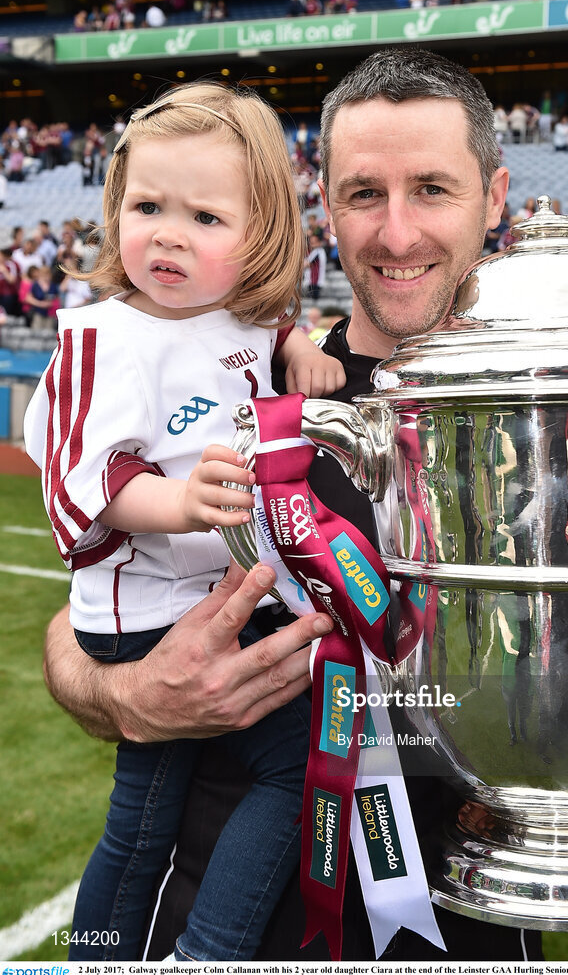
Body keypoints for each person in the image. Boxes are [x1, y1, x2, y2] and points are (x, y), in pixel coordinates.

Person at [41, 48, 545, 964]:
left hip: (463, 917)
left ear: (496, 196)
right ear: (325, 209)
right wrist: (127, 694)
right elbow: (81, 618)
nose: (396, 235)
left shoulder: (555, 424)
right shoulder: (260, 390)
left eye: (432, 188)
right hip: (220, 913)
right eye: (363, 195)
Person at [24, 81, 345, 962]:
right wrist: (178, 502)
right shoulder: (107, 335)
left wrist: (303, 344)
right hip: (148, 619)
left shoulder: (233, 311)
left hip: (211, 600)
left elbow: (265, 327)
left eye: (205, 217)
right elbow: (83, 475)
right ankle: (178, 949)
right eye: (147, 205)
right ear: (114, 206)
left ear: (261, 238)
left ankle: (150, 950)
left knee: (194, 805)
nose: (167, 233)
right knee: (158, 818)